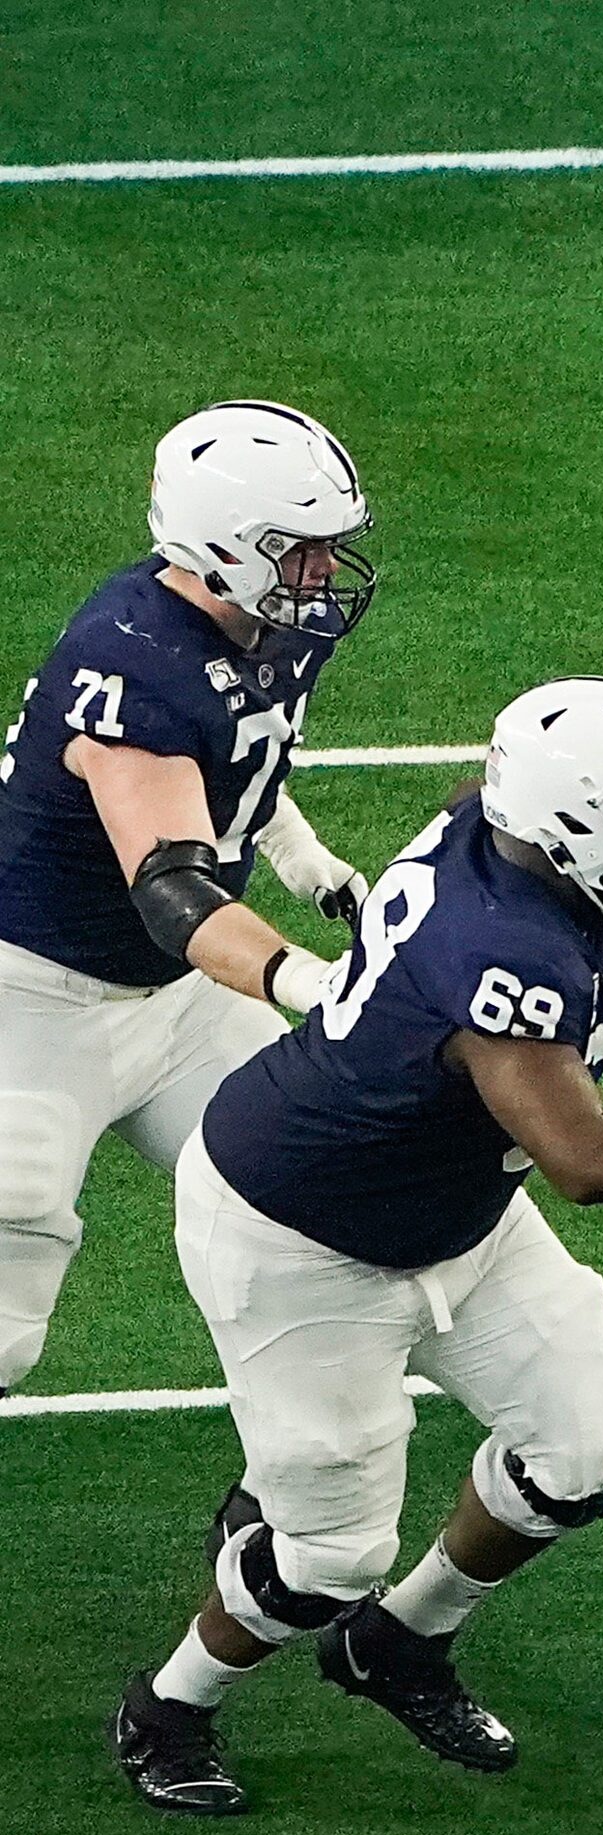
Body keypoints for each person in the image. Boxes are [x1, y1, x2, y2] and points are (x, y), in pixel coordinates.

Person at [108, 678, 603, 1815]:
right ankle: (167, 1707)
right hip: (302, 1237)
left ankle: (400, 1643)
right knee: (329, 1560)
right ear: (570, 818)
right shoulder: (506, 951)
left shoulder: (486, 816)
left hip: (454, 1207)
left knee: (592, 1448)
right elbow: (588, 1160)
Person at [0, 400, 377, 1393]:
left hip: (174, 998)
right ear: (223, 547)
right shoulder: (134, 658)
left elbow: (240, 753)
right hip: (31, 994)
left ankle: (303, 1478)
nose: (322, 573)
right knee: (4, 1319)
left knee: (330, 1176)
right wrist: (305, 979)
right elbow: (175, 893)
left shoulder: (271, 627)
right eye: (298, 551)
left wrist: (303, 858)